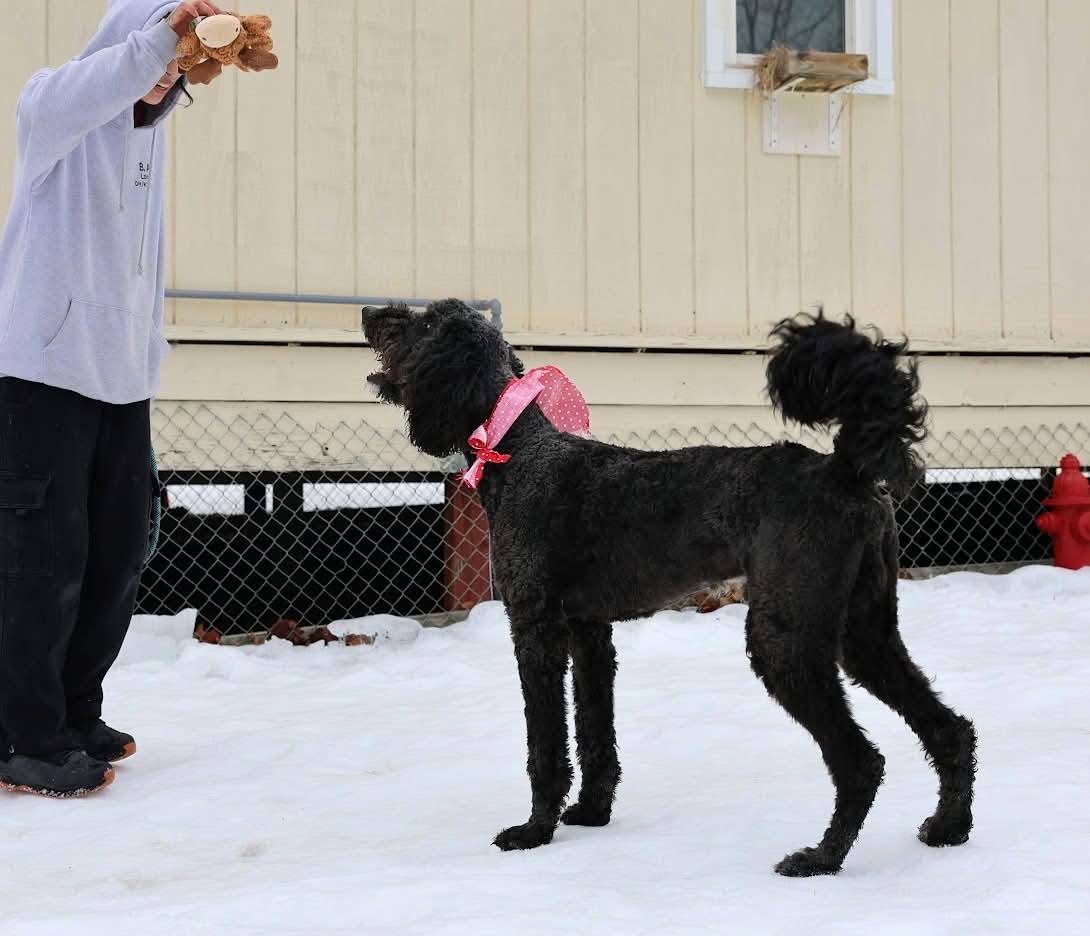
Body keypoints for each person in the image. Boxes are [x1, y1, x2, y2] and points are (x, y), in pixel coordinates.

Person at [0, 0, 225, 797]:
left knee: (115, 555)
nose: (169, 77)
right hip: (41, 374)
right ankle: (20, 735)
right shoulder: (52, 106)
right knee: (42, 561)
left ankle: (72, 711)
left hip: (121, 378)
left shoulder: (147, 143)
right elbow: (115, 73)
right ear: (131, 43)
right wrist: (163, 34)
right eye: (160, 57)